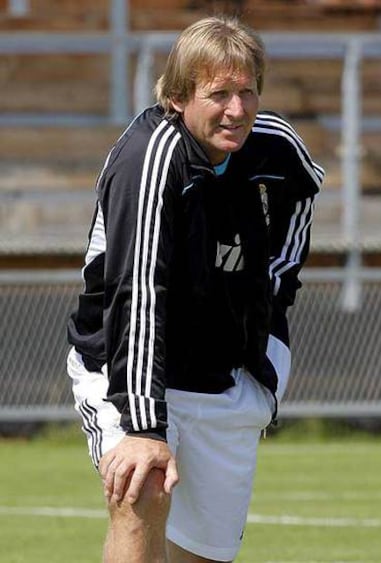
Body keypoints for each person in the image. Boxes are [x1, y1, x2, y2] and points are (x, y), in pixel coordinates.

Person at [67, 15, 324, 563]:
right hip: (128, 365)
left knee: (203, 555)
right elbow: (136, 292)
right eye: (218, 94)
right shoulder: (150, 160)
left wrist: (268, 298)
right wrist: (142, 426)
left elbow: (304, 194)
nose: (237, 110)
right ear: (180, 96)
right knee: (144, 484)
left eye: (247, 92)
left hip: (224, 374)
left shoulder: (275, 146)